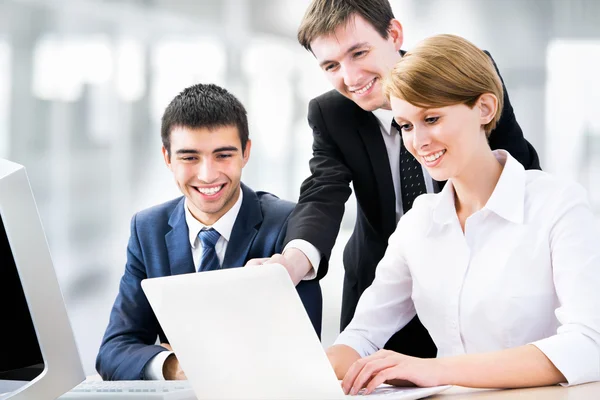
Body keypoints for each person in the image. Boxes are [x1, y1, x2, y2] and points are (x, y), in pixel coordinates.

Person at [249, 0, 541, 359]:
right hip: (381, 286)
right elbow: (323, 193)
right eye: (331, 65)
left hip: (479, 280)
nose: (351, 77)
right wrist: (292, 262)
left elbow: (514, 169)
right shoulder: (331, 113)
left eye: (359, 52)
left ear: (394, 34)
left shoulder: (456, 74)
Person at [326, 34, 600, 393]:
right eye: (407, 125)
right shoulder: (419, 223)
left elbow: (589, 345)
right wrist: (297, 366)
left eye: (432, 118)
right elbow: (361, 335)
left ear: (484, 108)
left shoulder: (558, 206)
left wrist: (438, 370)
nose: (418, 141)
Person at [96, 83, 322, 381]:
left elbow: (299, 354)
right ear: (167, 158)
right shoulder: (147, 228)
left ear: (246, 152)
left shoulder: (287, 225)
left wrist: (197, 357)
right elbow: (113, 351)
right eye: (189, 158)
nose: (207, 175)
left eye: (223, 155)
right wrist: (175, 365)